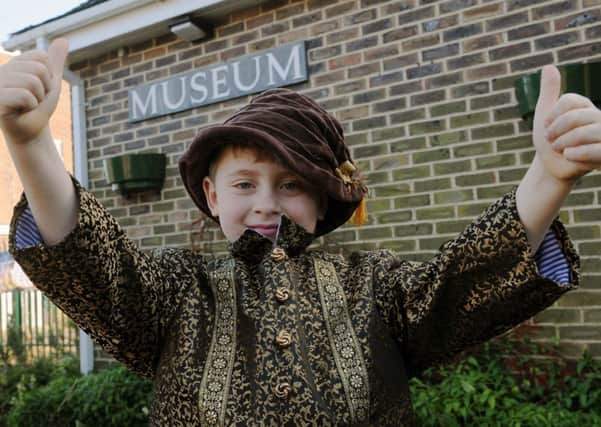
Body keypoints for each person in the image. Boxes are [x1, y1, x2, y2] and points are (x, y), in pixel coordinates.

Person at [1, 38, 600, 426]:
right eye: (243, 184)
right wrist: (31, 144)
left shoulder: (380, 287)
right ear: (211, 196)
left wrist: (548, 176)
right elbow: (92, 258)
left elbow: (464, 277)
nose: (267, 204)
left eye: (290, 185)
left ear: (322, 197)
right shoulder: (176, 292)